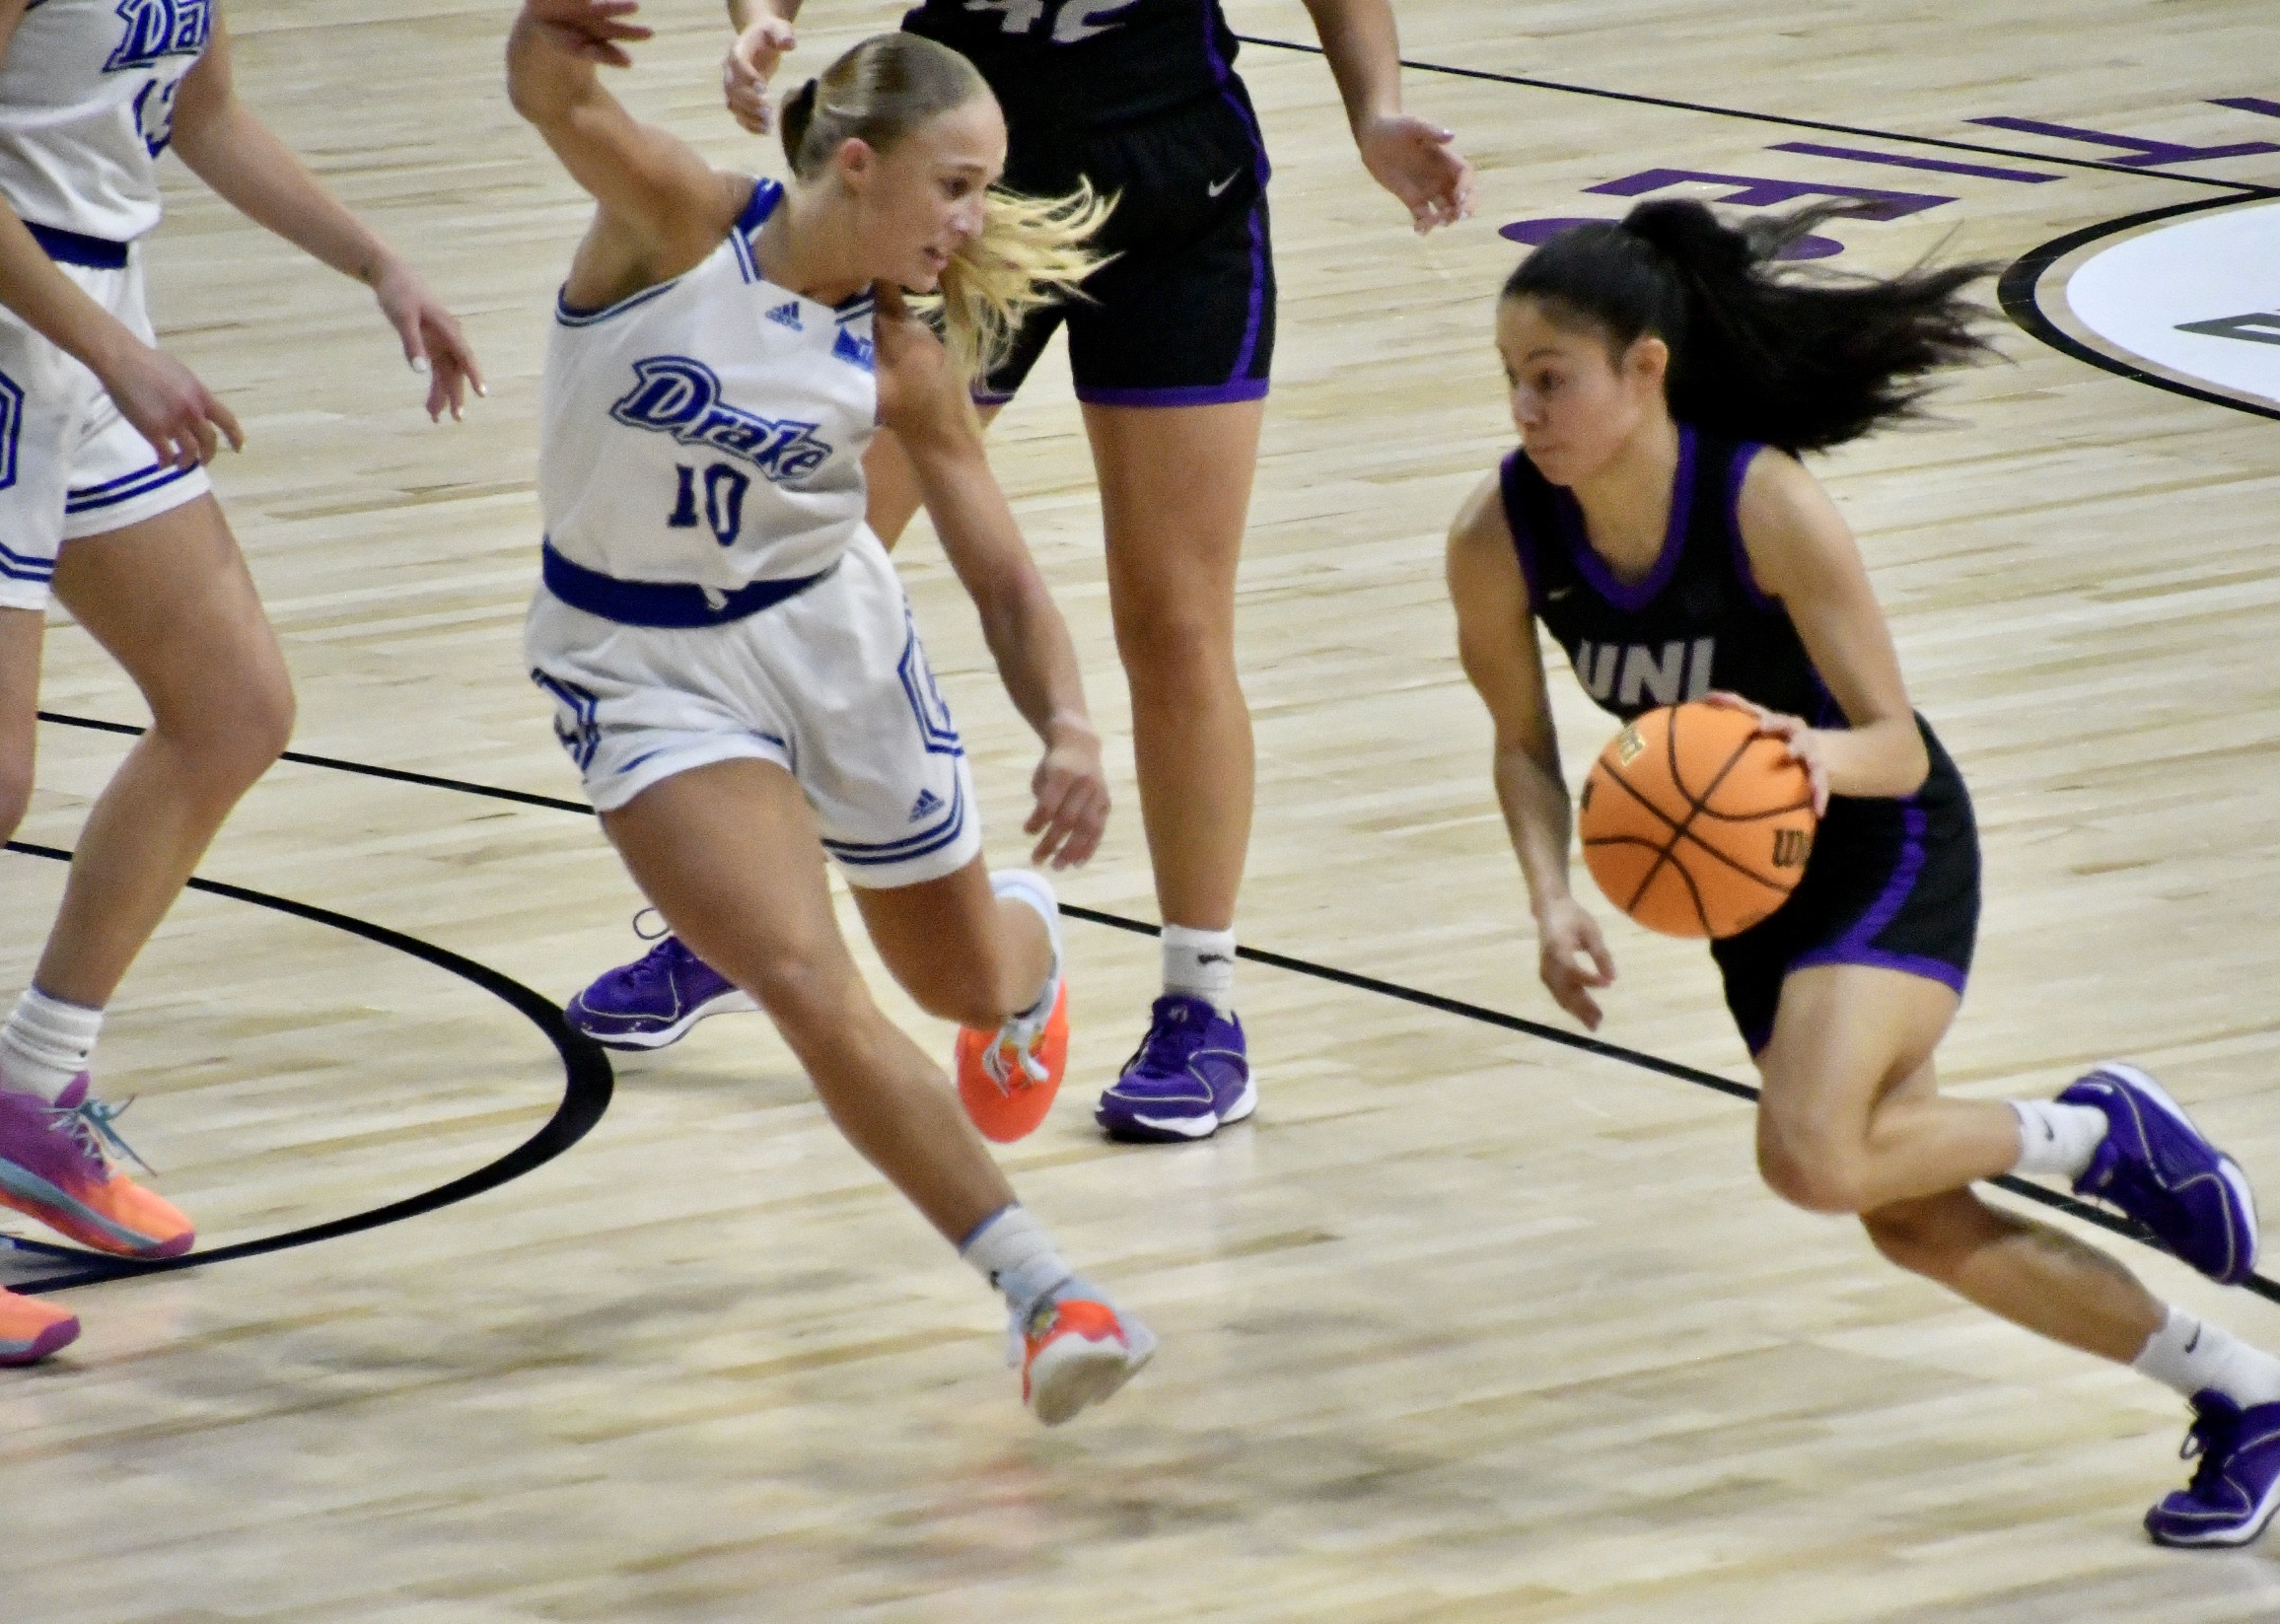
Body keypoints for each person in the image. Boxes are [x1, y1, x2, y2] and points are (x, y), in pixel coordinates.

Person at [1444, 199, 2280, 1547]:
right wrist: (1548, 895)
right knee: (1910, 1216)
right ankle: (2257, 1392)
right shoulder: (1500, 534)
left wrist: (1804, 753)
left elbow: (1887, 739)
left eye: (1550, 375)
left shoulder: (1764, 502)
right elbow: (1523, 747)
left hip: (1882, 834)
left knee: (1812, 1155)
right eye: (1511, 377)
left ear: (1645, 368)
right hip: (1751, 895)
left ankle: (2100, 1131)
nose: (1525, 407)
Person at [564, 0, 1474, 1145]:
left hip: (1173, 185)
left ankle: (1204, 1012)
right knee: (803, 572)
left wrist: (1376, 109)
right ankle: (740, 926)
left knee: (1176, 622)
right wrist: (761, 23)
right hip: (959, 188)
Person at [509, 0, 1153, 1422]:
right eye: (958, 186)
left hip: (829, 644)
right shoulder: (679, 226)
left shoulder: (903, 356)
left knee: (959, 984)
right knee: (805, 985)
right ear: (856, 163)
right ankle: (1050, 1295)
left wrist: (1070, 725)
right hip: (641, 664)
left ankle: (1029, 961)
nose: (975, 224)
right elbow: (552, 97)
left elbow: (1001, 576)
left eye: (986, 191)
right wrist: (550, 22)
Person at [0, 0, 481, 1363]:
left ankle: (32, 1099)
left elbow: (203, 115)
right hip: (29, 330)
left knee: (232, 708)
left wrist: (380, 260)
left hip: (91, 330)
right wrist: (110, 348)